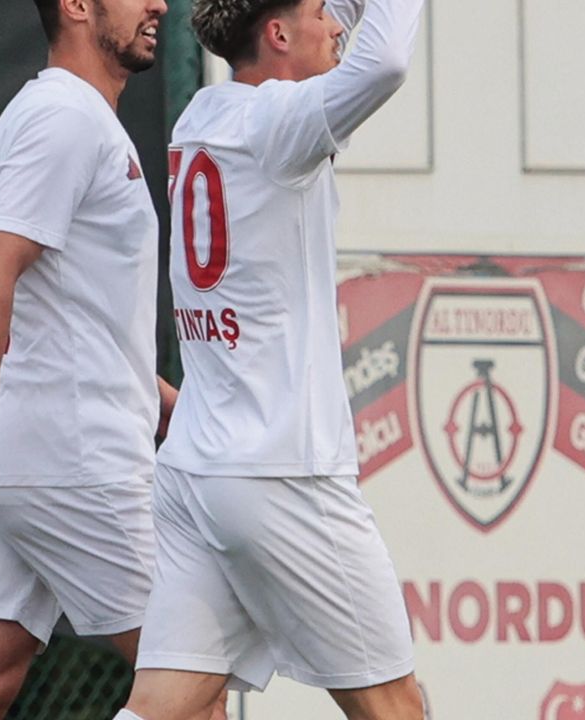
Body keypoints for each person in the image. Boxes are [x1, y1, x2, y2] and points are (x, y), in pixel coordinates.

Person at [115, 0, 425, 716]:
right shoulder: (279, 122)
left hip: (199, 470)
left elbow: (328, 26)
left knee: (161, 707)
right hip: (282, 473)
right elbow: (385, 60)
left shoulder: (204, 114)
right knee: (397, 707)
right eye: (321, 13)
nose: (337, 27)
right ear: (278, 34)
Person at [0, 2, 216, 719]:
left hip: (14, 456)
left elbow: (62, 312)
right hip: (71, 456)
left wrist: (167, 402)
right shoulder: (66, 117)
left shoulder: (47, 115)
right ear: (78, 6)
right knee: (195, 682)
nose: (159, 5)